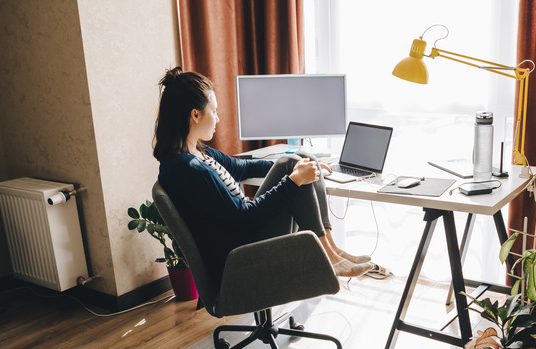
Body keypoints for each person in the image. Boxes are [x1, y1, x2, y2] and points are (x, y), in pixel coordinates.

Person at [153, 67, 372, 283]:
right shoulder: (190, 169)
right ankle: (329, 257)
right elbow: (245, 218)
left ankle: (332, 249)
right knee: (294, 167)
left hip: (246, 238)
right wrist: (293, 180)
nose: (218, 119)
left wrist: (301, 166)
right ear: (195, 115)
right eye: (215, 111)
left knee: (300, 158)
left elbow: (242, 168)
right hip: (243, 255)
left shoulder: (199, 153)